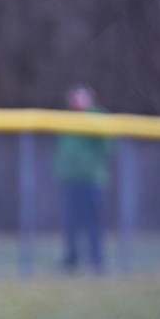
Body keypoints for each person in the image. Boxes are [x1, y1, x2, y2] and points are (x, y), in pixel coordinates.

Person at [53, 85, 114, 273]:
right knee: (70, 223)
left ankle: (96, 259)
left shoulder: (98, 118)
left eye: (81, 98)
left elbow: (108, 148)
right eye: (75, 98)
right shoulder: (67, 119)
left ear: (90, 100)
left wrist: (90, 163)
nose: (77, 102)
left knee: (93, 222)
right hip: (70, 180)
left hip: (91, 180)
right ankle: (71, 259)